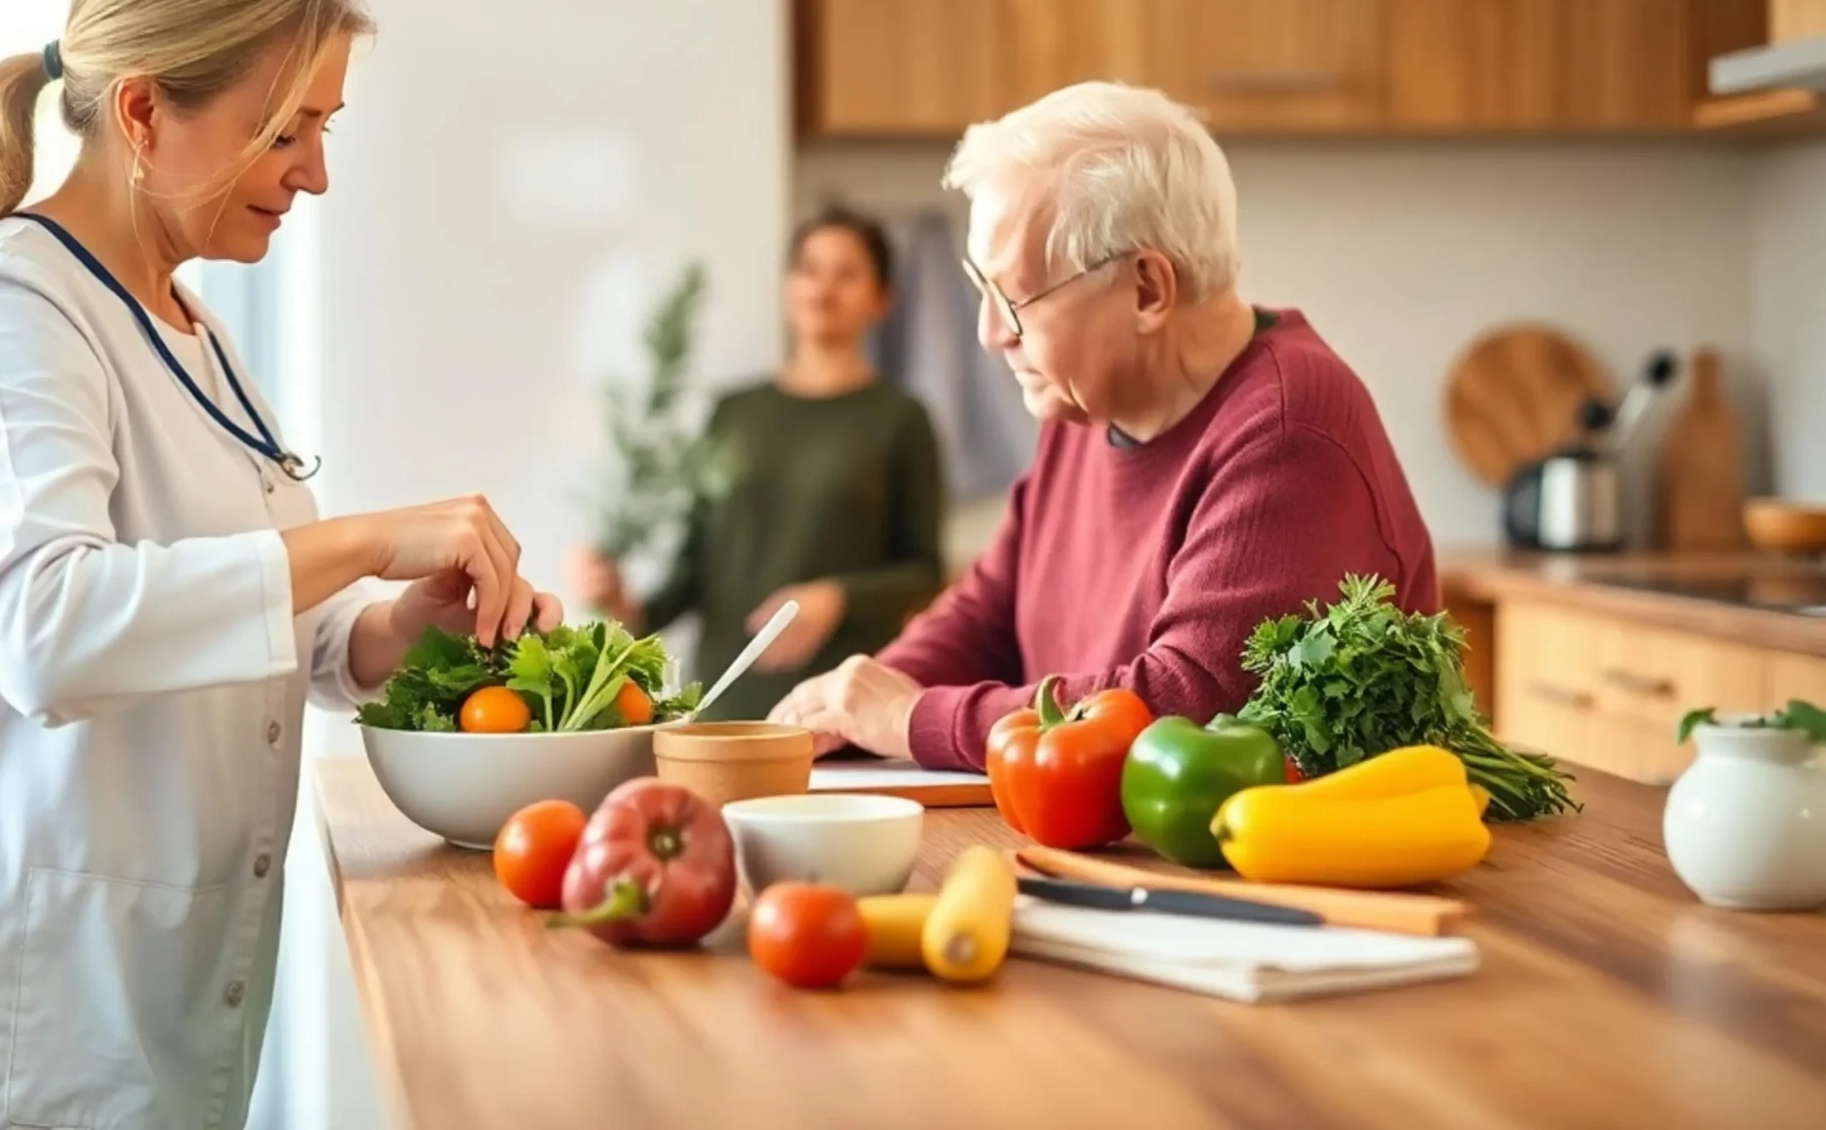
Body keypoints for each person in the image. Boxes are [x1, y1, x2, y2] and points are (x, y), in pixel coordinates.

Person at [0, 0, 560, 1130]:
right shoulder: (0, 304)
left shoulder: (189, 327)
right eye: (282, 128)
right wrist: (362, 537)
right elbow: (53, 628)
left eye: (323, 128)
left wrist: (398, 626)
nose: (314, 170)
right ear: (142, 113)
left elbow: (264, 626)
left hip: (134, 1005)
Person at [769, 82, 1436, 767]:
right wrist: (852, 706)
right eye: (981, 289)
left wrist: (911, 716)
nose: (990, 331)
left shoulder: (1288, 430)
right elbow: (988, 612)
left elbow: (1187, 705)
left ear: (1148, 288)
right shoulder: (1085, 403)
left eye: (1015, 296)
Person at [570, 210, 946, 724]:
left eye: (847, 273)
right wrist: (618, 601)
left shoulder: (900, 419)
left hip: (834, 709)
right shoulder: (733, 413)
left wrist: (835, 597)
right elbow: (693, 571)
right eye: (809, 269)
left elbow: (926, 572)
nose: (823, 288)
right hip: (722, 702)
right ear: (788, 285)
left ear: (882, 299)